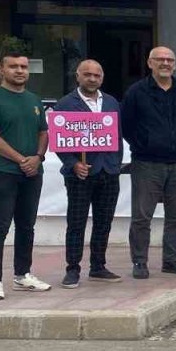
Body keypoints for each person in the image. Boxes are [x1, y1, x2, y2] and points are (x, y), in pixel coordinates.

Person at [0, 51, 51, 300]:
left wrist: (37, 157)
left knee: (27, 226)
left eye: (24, 67)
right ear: (2, 70)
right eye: (14, 66)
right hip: (0, 172)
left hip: (32, 172)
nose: (19, 71)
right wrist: (21, 159)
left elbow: (43, 133)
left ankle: (22, 274)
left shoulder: (34, 100)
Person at [120, 46, 176, 279]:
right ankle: (139, 262)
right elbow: (126, 125)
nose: (165, 63)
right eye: (160, 59)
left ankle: (171, 260)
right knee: (142, 217)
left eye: (169, 60)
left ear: (175, 64)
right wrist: (144, 143)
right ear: (150, 63)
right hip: (147, 163)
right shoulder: (136, 92)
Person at [52, 59, 123, 289]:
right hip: (79, 174)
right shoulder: (65, 104)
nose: (92, 79)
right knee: (76, 222)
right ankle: (72, 269)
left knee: (104, 221)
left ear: (102, 78)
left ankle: (98, 266)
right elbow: (59, 139)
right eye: (87, 74)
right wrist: (73, 163)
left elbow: (117, 136)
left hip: (108, 172)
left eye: (97, 75)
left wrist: (115, 164)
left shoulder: (111, 102)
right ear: (78, 76)